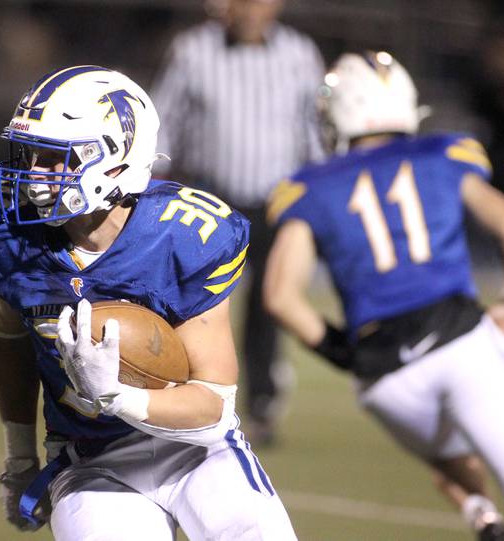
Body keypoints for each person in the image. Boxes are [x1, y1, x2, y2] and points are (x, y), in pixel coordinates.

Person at [0, 65, 297, 540]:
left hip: (195, 451)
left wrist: (119, 396)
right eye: (33, 153)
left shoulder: (184, 235)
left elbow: (211, 410)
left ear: (115, 161)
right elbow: (9, 336)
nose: (34, 173)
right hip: (92, 460)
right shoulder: (5, 235)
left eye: (58, 159)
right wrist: (19, 456)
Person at [262, 51, 504, 541]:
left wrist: (347, 353)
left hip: (386, 379)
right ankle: (502, 513)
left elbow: (281, 297)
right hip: (459, 343)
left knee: (453, 460)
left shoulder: (310, 187)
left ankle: (481, 513)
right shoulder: (443, 155)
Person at [151, 0, 325, 445]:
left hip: (279, 201)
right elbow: (163, 120)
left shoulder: (300, 53)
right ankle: (180, 399)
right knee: (192, 303)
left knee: (270, 308)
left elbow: (313, 129)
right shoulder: (193, 50)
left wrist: (320, 190)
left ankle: (262, 407)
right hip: (212, 198)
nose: (249, 9)